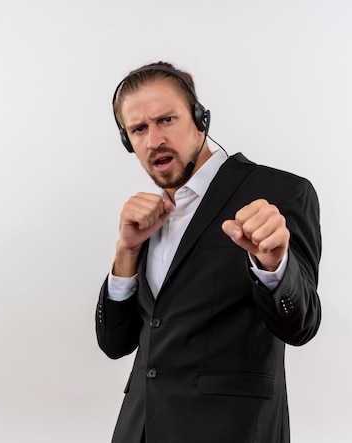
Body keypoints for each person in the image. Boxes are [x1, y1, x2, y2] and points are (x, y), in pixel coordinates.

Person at [95, 61, 321, 443]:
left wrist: (273, 265)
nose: (154, 141)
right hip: (140, 431)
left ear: (201, 119)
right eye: (139, 129)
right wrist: (126, 251)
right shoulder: (148, 218)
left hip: (229, 430)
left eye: (166, 119)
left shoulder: (281, 193)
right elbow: (115, 344)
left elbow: (300, 325)